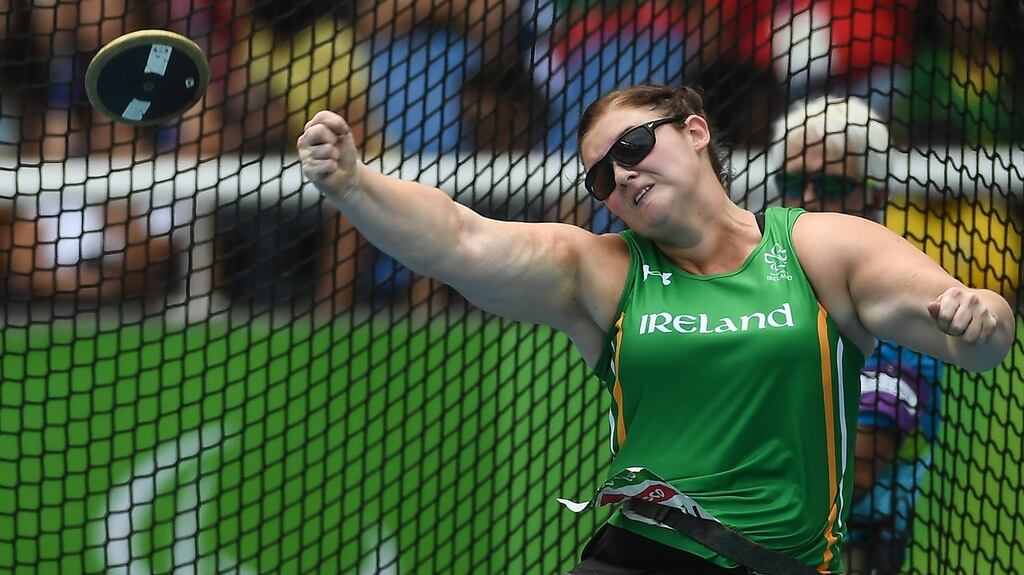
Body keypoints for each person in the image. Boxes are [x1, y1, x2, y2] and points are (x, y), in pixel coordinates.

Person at [296, 84, 1014, 574]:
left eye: (634, 146)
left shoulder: (818, 246)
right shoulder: (602, 271)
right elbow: (461, 238)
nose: (622, 175)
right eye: (601, 177)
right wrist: (355, 184)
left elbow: (974, 338)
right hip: (641, 556)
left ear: (695, 131)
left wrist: (983, 314)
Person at [768, 95, 945, 574]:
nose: (805, 200)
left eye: (828, 185)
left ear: (875, 196)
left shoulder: (907, 300)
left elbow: (862, 462)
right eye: (791, 183)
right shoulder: (757, 284)